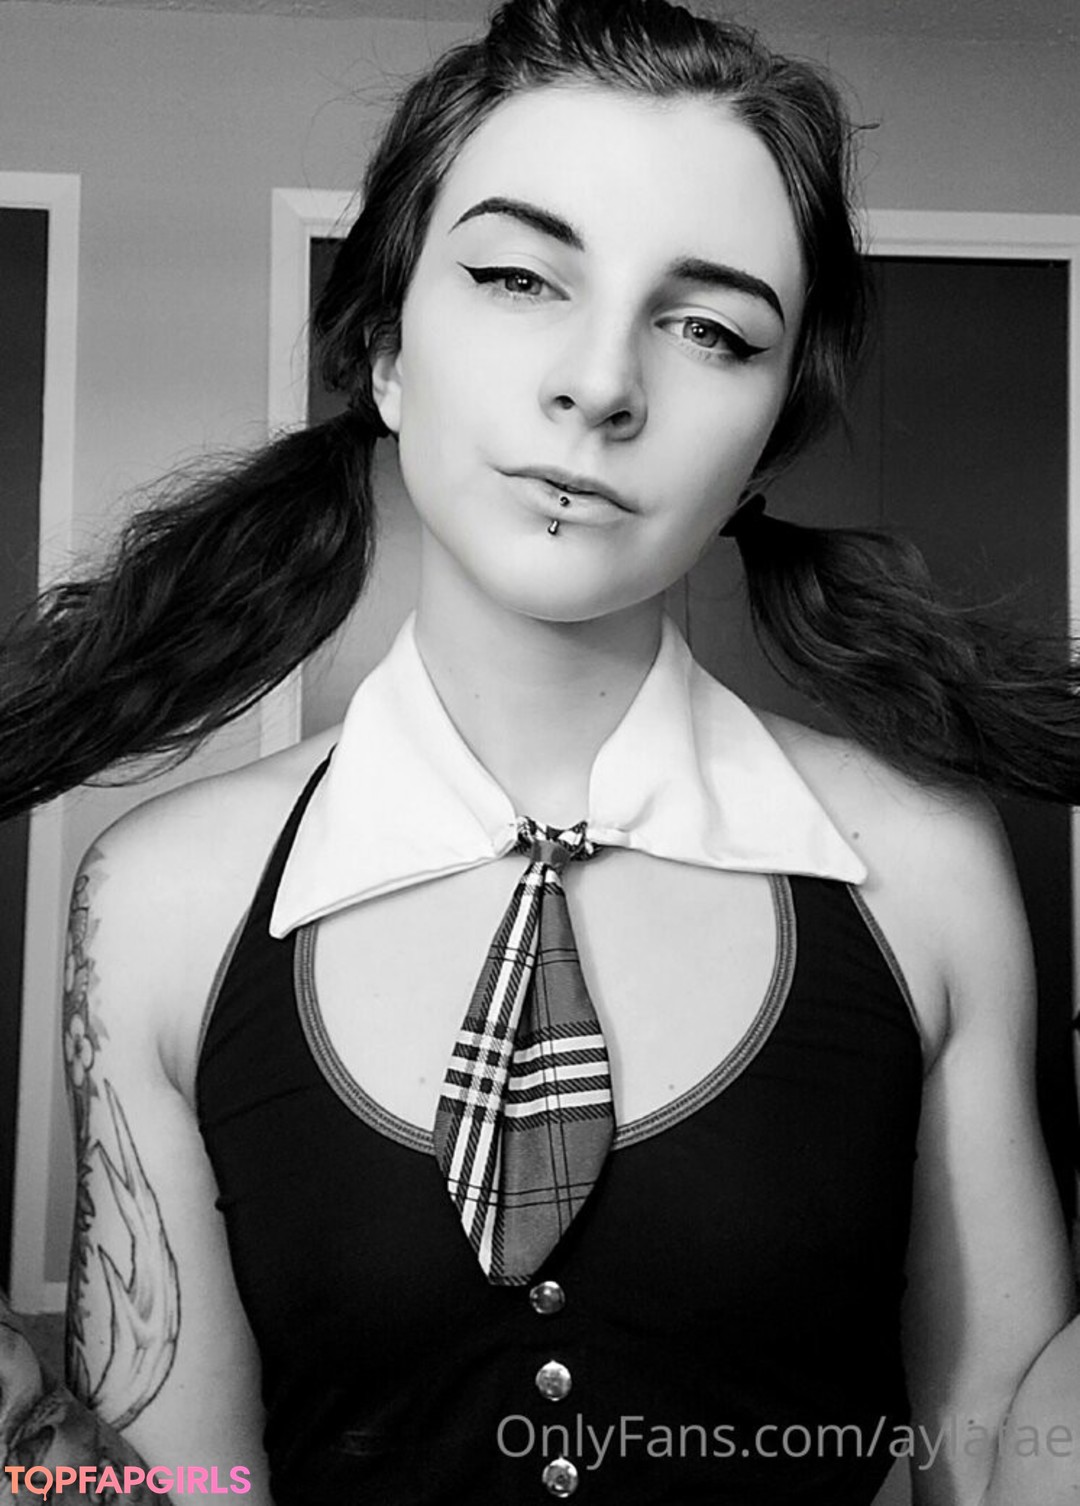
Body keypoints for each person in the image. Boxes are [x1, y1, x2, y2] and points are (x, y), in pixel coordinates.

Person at [2, 0, 1079, 1502]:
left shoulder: (926, 871)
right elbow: (188, 1486)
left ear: (767, 441)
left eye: (711, 330)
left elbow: (1004, 1441)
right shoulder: (157, 903)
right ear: (386, 351)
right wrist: (35, 1452)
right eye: (518, 276)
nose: (603, 383)